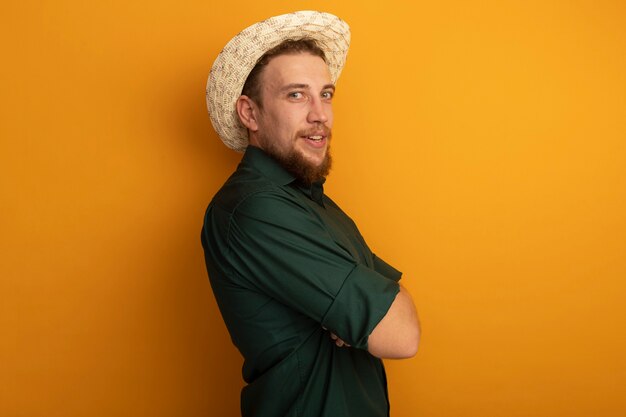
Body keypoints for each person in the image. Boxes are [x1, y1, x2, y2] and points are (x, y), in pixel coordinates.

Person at [201, 11, 420, 417]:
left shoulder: (312, 203)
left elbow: (398, 308)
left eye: (327, 94)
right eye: (296, 95)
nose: (320, 114)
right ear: (249, 114)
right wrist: (365, 312)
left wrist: (361, 315)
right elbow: (401, 334)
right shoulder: (257, 209)